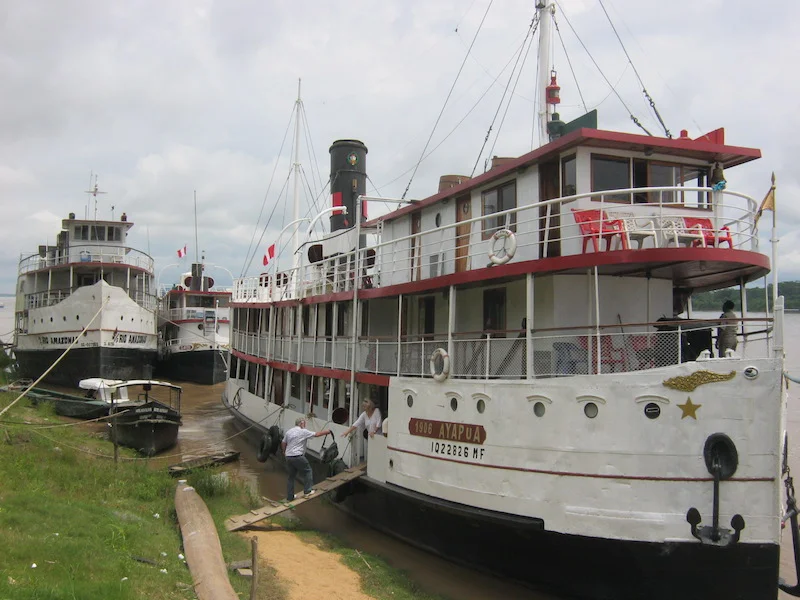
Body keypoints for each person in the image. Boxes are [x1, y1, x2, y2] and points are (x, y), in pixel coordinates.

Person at [281, 417, 332, 501]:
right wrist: (327, 432)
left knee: (291, 477)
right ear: (301, 423)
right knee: (308, 471)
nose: (305, 425)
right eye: (304, 423)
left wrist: (284, 452)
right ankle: (307, 491)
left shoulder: (289, 431)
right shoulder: (303, 431)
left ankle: (290, 497)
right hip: (298, 456)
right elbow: (317, 434)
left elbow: (283, 442)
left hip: (288, 456)